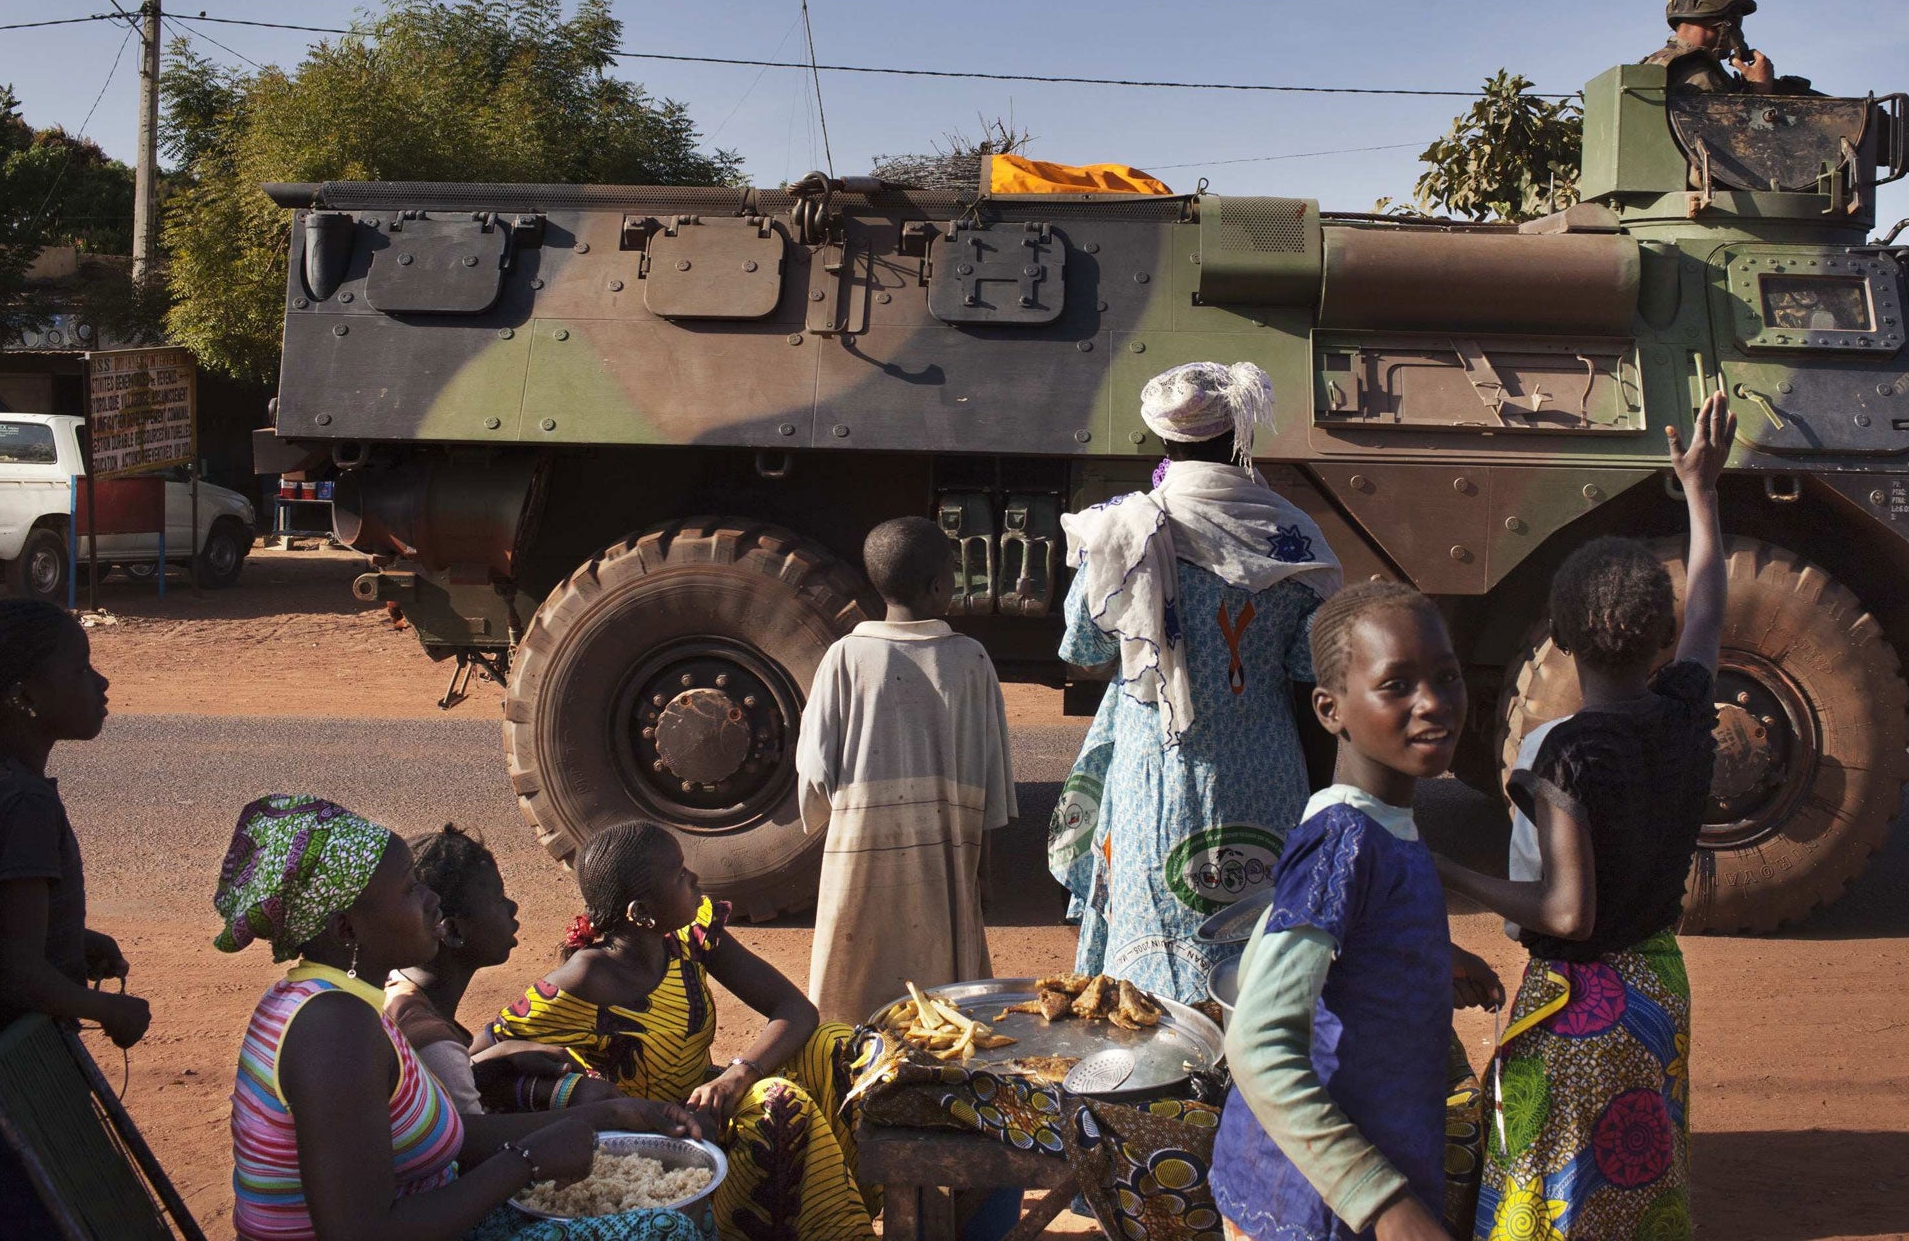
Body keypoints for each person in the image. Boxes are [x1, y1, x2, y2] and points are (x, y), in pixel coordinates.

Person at [1434, 390, 1735, 1241]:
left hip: (1577, 1001)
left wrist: (1446, 870)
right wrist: (1703, 493)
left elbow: (1570, 912)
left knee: (1545, 1197)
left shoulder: (1562, 751)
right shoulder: (1685, 707)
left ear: (1559, 639)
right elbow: (1711, 602)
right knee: (1636, 1190)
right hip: (1656, 989)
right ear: (1661, 634)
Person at [215, 794, 699, 1241]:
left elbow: (446, 1135)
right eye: (408, 891)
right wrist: (526, 1161)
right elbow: (360, 1233)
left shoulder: (342, 1002)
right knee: (667, 1230)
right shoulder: (335, 1028)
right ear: (347, 927)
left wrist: (608, 1115)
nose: (431, 901)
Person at [1209, 582, 1503, 1241]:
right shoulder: (1343, 839)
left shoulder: (1375, 823)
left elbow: (1289, 934)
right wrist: (1385, 1206)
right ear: (1331, 709)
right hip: (1312, 1207)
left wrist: (1424, 958)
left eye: (1447, 676)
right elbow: (1257, 1042)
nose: (1434, 703)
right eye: (1397, 685)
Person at [1050, 360, 1342, 1001]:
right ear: (1239, 433)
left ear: (1162, 439)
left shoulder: (1123, 533)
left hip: (1154, 778)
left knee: (1149, 956)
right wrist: (1317, 801)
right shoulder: (1294, 536)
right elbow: (1312, 681)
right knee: (1259, 953)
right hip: (1267, 779)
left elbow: (1085, 648)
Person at [477, 820, 876, 1241]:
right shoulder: (585, 980)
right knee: (778, 1103)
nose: (694, 879)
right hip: (656, 1140)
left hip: (709, 1101)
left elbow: (795, 1009)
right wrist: (563, 1090)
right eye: (679, 875)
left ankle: (845, 1213)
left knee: (835, 1046)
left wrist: (738, 1073)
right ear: (641, 913)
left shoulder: (687, 938)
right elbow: (481, 1055)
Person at [796, 515, 1016, 1025]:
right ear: (941, 585)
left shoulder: (843, 658)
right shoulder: (970, 660)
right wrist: (984, 871)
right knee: (946, 1006)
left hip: (859, 862)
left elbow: (813, 773)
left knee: (851, 995)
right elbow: (992, 772)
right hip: (947, 857)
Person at [0, 598, 151, 1232]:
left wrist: (72, 938)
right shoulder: (24, 802)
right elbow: (18, 975)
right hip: (15, 1082)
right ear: (24, 693)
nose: (101, 682)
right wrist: (112, 1009)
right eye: (81, 668)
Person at [387, 824, 620, 1117]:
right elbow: (466, 1142)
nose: (513, 907)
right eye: (498, 899)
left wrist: (501, 1055)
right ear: (453, 930)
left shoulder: (394, 985)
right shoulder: (435, 1043)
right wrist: (599, 1115)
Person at [1641, 0, 1778, 93]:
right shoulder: (1699, 76)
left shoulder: (1657, 64)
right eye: (1737, 14)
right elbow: (1732, 121)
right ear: (1726, 18)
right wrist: (1760, 87)